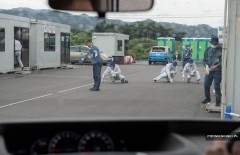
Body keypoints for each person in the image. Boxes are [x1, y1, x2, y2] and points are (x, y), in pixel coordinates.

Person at [202, 35, 222, 106]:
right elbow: (204, 60)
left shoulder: (221, 50)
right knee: (206, 85)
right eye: (213, 44)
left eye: (216, 44)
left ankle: (218, 101)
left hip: (217, 71)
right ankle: (207, 98)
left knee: (216, 86)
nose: (214, 45)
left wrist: (217, 66)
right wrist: (206, 66)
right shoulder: (207, 50)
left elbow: (224, 61)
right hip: (209, 71)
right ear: (210, 42)